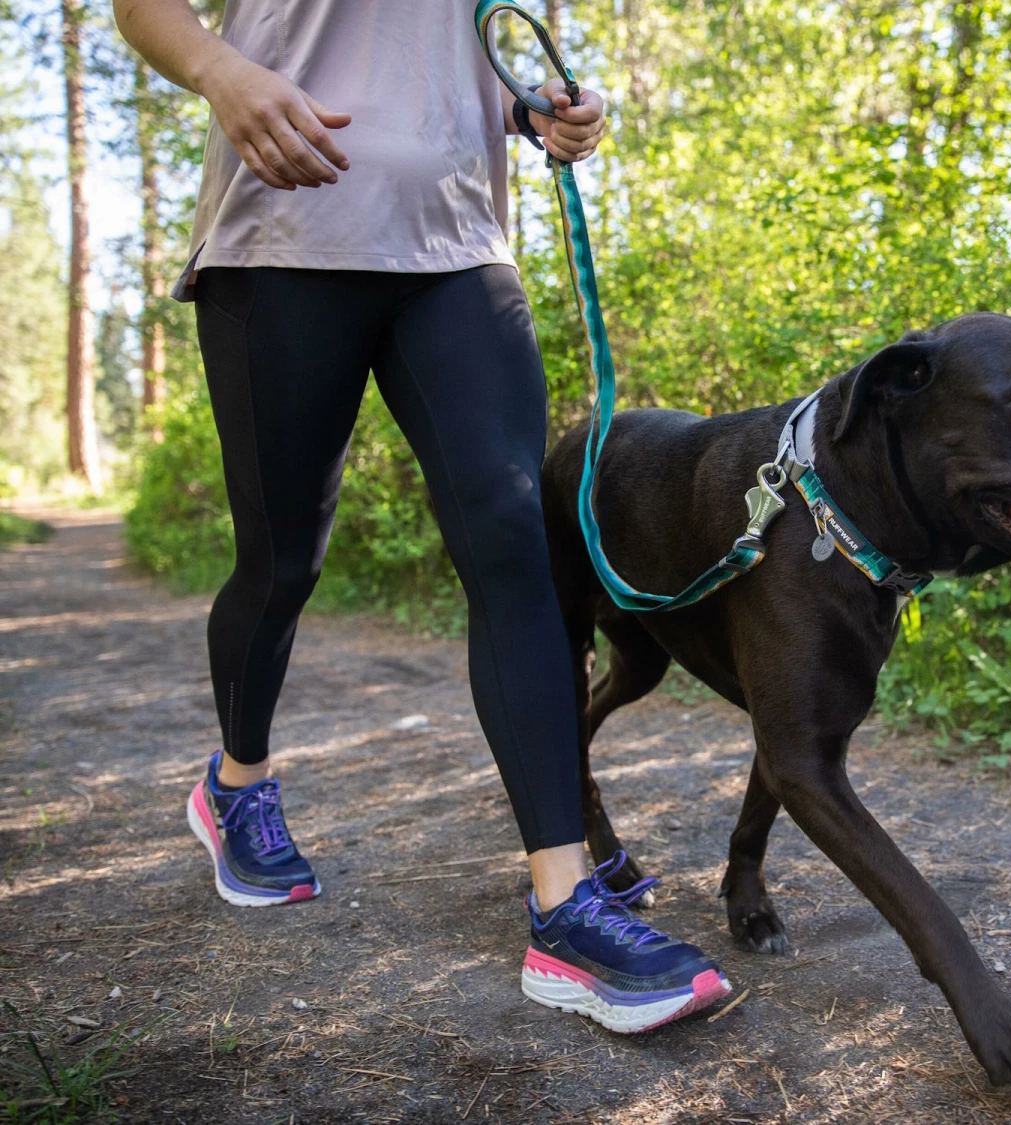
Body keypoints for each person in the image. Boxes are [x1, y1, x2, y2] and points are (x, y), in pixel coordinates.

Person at [116, 0, 731, 1033]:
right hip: (283, 230)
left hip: (457, 249)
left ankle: (566, 908)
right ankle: (236, 784)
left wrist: (545, 113)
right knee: (283, 560)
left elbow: (462, 61)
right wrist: (221, 73)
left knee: (514, 547)